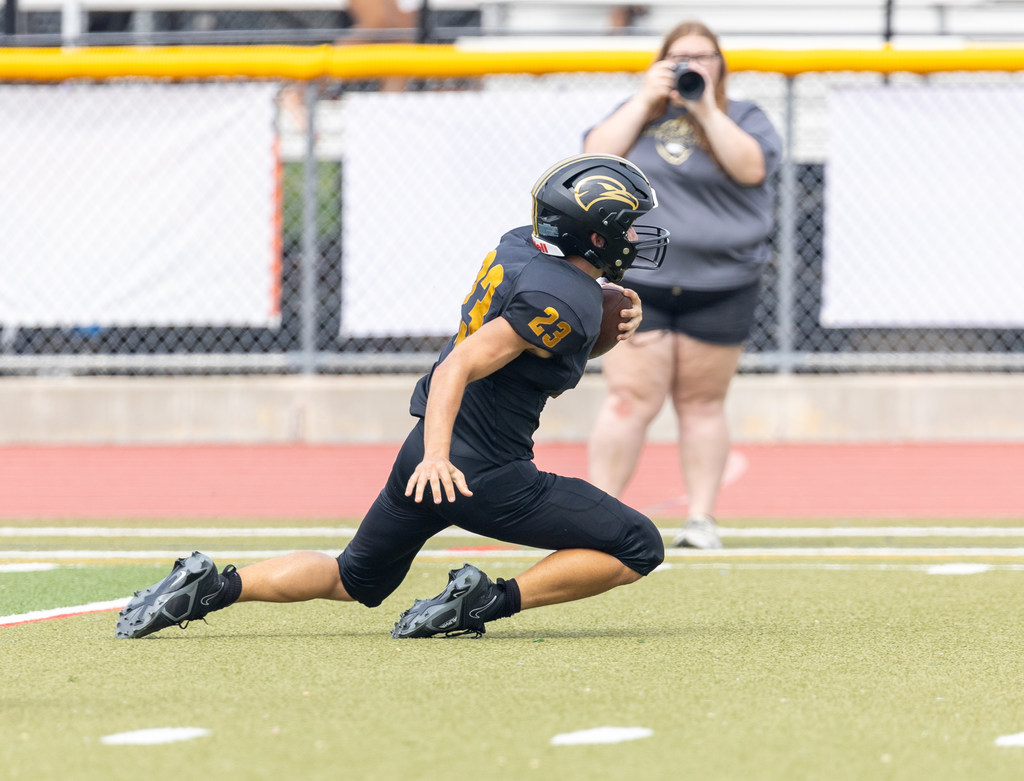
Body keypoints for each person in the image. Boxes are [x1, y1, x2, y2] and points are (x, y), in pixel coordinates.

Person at [116, 153, 670, 641]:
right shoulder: (564, 299)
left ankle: (212, 585)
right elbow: (460, 365)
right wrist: (439, 458)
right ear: (595, 235)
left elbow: (529, 344)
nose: (638, 238)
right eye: (629, 227)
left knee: (352, 577)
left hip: (426, 455)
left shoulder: (521, 246)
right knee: (640, 545)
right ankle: (487, 601)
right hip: (478, 471)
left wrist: (598, 321)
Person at [583, 20, 781, 550]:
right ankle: (598, 516)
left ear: (721, 66)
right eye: (679, 57)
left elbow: (750, 168)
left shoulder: (746, 117)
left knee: (702, 403)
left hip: (721, 282)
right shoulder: (638, 114)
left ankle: (700, 520)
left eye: (704, 57)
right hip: (641, 282)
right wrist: (645, 98)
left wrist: (705, 108)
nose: (692, 66)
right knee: (628, 399)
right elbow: (594, 159)